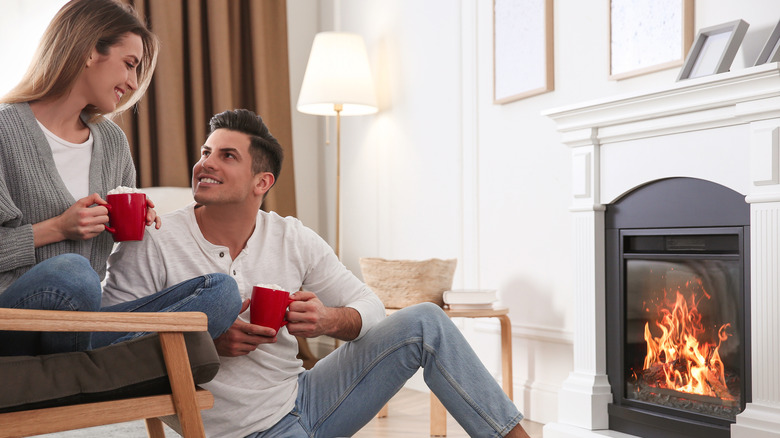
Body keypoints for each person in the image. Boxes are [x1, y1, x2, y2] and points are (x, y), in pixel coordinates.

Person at [102, 109, 532, 438]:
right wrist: (206, 344)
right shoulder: (155, 237)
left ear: (261, 182)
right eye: (205, 152)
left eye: (226, 155)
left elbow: (370, 307)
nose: (206, 163)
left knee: (425, 322)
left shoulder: (292, 237)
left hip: (308, 400)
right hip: (230, 428)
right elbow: (109, 341)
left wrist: (329, 319)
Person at [0, 0, 241, 356]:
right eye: (129, 65)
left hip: (82, 323)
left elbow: (107, 255)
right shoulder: (5, 130)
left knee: (220, 293)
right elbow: (73, 260)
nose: (132, 83)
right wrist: (59, 228)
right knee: (73, 272)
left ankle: (83, 367)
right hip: (13, 319)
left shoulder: (112, 143)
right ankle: (100, 367)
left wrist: (128, 226)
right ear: (88, 50)